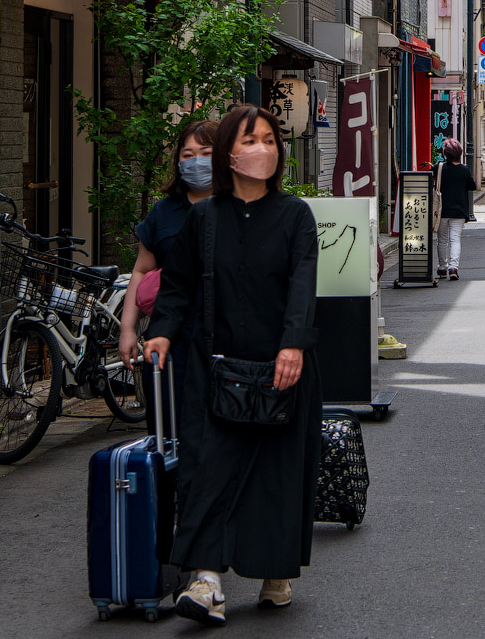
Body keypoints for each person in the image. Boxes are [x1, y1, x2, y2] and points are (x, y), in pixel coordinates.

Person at [143, 106, 322, 623]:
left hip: (282, 366)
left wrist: (294, 344)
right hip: (213, 365)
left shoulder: (294, 215)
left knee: (277, 472)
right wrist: (160, 334)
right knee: (207, 468)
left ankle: (275, 572)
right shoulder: (203, 218)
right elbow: (176, 288)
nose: (262, 148)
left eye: (269, 139)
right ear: (228, 153)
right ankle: (206, 581)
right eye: (250, 140)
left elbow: (302, 284)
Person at [118, 121, 218, 383]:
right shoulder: (163, 212)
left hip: (224, 338)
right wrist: (127, 329)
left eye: (207, 153)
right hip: (170, 336)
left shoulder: (240, 207)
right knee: (170, 417)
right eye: (188, 155)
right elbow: (141, 270)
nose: (197, 161)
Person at [434, 139, 476, 280]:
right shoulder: (464, 170)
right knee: (455, 240)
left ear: (446, 154)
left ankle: (441, 267)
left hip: (442, 210)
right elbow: (472, 186)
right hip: (459, 210)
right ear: (459, 153)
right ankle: (453, 268)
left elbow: (428, 177)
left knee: (442, 240)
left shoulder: (439, 168)